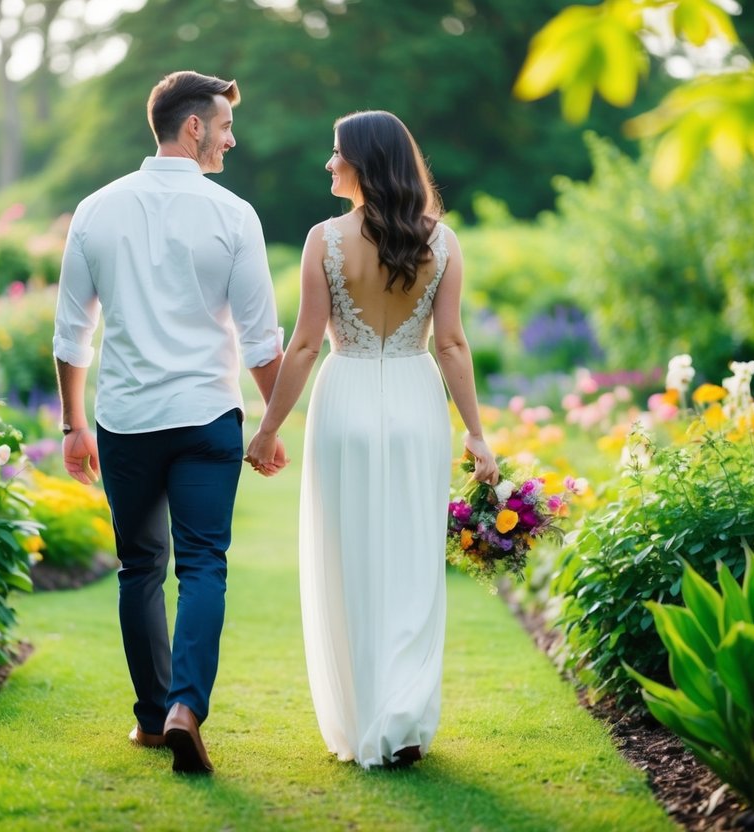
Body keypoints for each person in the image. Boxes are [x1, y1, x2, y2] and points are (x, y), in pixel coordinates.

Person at [245, 110, 498, 769]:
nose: (328, 165)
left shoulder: (323, 240)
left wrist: (267, 427)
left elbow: (302, 345)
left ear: (363, 162)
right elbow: (450, 343)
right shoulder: (441, 243)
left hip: (346, 397)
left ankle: (365, 719)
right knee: (412, 562)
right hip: (416, 403)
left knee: (348, 557)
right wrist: (475, 434)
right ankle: (404, 718)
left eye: (337, 155)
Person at [53, 70, 287, 775]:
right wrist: (272, 424)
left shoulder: (94, 210)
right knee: (203, 565)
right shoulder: (233, 214)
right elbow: (260, 340)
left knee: (139, 569)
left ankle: (153, 719)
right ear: (194, 127)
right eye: (223, 125)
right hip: (206, 416)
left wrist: (72, 426)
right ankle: (187, 705)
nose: (230, 138)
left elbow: (71, 334)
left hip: (125, 419)